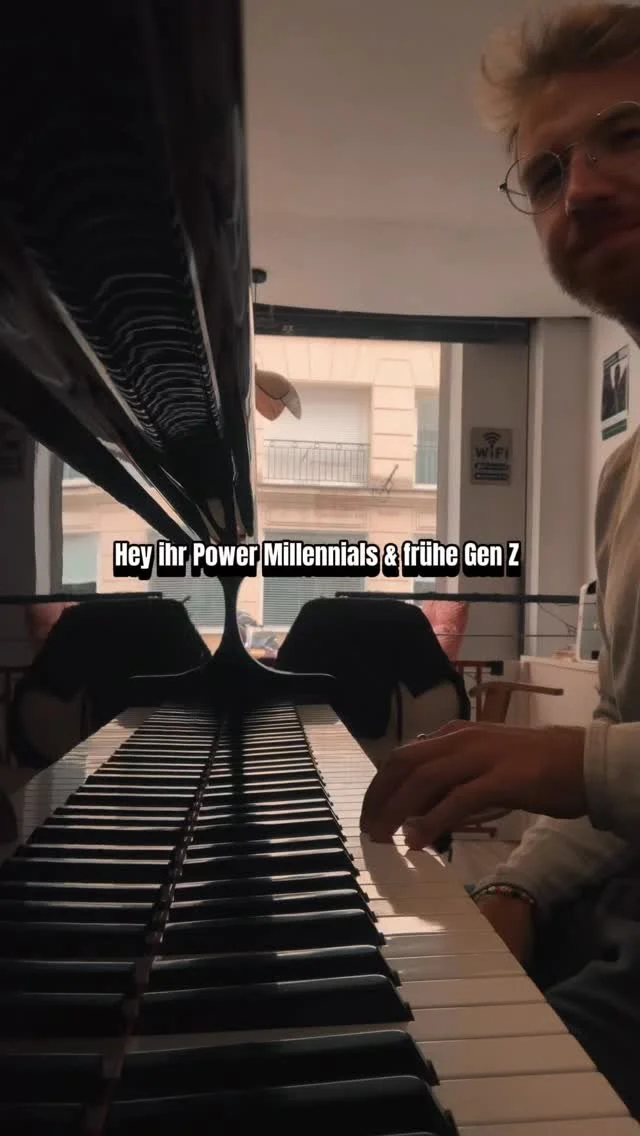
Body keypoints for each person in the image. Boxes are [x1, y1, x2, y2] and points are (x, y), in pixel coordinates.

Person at [360, 1, 640, 1117]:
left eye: (628, 134)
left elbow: (597, 761)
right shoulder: (627, 476)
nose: (582, 191)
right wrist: (517, 890)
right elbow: (615, 744)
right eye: (546, 173)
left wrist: (569, 764)